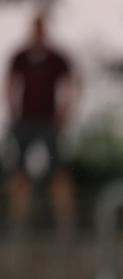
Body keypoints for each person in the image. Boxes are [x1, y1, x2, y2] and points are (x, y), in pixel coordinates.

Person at [5, 13, 77, 237]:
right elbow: (9, 84)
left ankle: (65, 225)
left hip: (48, 122)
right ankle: (16, 225)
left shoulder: (57, 57)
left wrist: (65, 112)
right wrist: (13, 111)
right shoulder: (20, 56)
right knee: (19, 174)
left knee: (58, 173)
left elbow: (71, 85)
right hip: (24, 122)